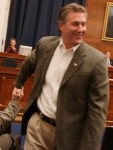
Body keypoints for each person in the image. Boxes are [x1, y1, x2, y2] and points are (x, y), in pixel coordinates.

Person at [12, 3, 109, 150]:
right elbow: (28, 64)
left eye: (83, 24)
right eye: (75, 24)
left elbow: (97, 113)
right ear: (61, 25)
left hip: (69, 137)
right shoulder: (45, 45)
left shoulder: (96, 61)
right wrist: (18, 83)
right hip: (38, 126)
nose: (81, 29)